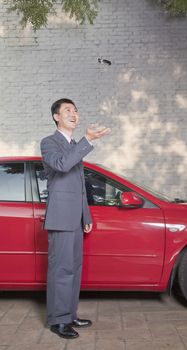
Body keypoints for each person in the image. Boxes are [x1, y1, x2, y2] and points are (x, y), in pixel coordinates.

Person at [40, 98, 110, 339]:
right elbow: (61, 165)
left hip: (75, 219)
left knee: (74, 269)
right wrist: (87, 140)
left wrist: (86, 214)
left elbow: (80, 186)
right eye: (67, 110)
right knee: (61, 270)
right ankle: (57, 320)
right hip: (60, 218)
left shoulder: (74, 145)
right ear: (56, 117)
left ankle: (69, 315)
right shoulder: (49, 143)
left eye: (76, 110)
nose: (74, 114)